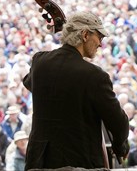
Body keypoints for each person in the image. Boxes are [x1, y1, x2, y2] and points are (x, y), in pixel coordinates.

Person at [23, 11, 130, 170]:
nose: (100, 44)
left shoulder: (39, 62)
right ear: (85, 34)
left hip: (39, 161)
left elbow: (30, 83)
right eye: (99, 37)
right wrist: (120, 145)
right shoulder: (95, 76)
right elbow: (119, 122)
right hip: (79, 162)